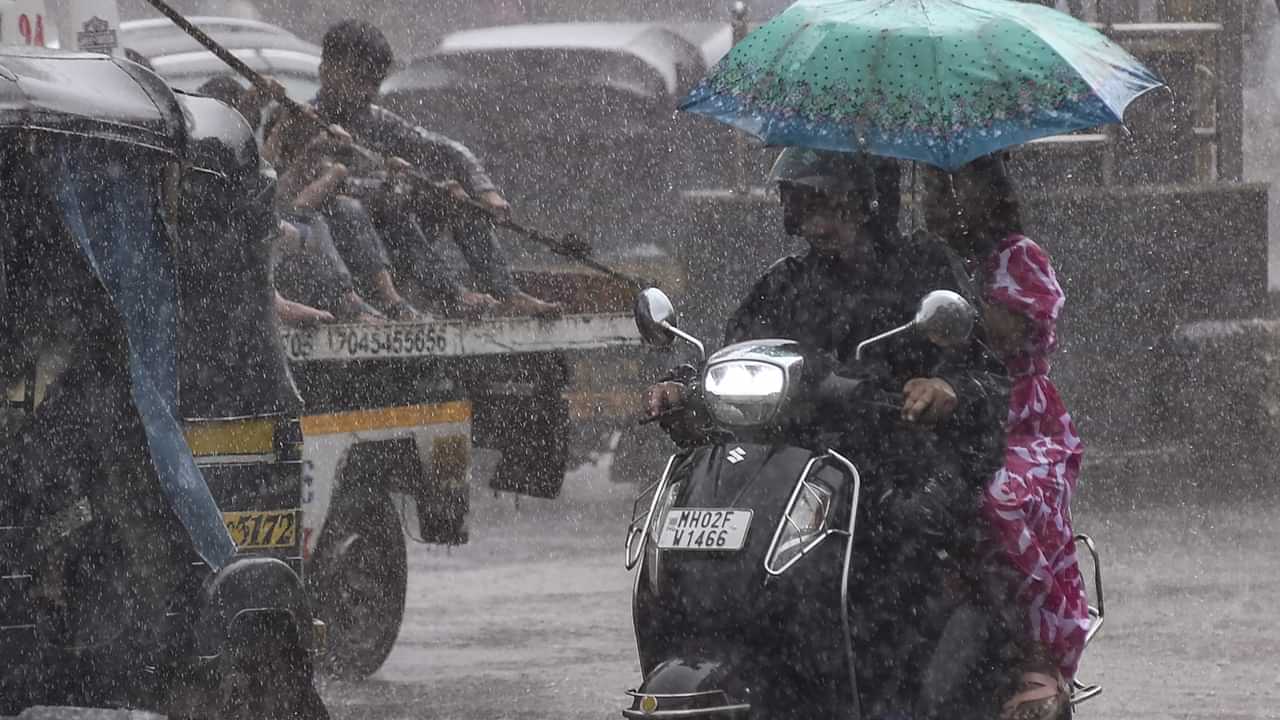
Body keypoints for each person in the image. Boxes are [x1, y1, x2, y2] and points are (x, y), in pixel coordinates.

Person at [644, 148, 1014, 719]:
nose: (819, 221)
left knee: (904, 549)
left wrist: (947, 390)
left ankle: (903, 698)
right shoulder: (785, 282)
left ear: (868, 203)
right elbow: (736, 356)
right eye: (804, 204)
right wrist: (684, 386)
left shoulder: (923, 272)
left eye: (832, 203)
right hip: (794, 475)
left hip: (897, 463)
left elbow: (988, 378)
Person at [922, 154, 1088, 720]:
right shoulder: (921, 262)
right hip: (949, 416)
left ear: (988, 196)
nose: (939, 205)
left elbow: (1015, 326)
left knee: (1001, 500)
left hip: (1021, 420)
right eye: (931, 191)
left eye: (953, 192)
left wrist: (961, 305)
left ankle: (1035, 649)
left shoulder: (1017, 257)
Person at [267, 19, 560, 317]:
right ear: (326, 70)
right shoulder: (294, 120)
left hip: (384, 226)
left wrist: (486, 193)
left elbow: (447, 150)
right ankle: (413, 299)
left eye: (374, 82)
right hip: (323, 237)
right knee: (356, 207)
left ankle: (504, 292)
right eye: (358, 78)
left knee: (457, 202)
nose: (367, 91)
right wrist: (390, 188)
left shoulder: (377, 120)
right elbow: (296, 195)